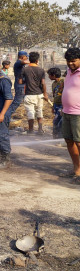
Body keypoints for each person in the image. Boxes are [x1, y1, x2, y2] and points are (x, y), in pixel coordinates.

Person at [60, 48, 80, 182]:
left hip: (78, 114)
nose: (70, 64)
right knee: (69, 141)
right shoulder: (68, 72)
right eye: (68, 61)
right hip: (66, 112)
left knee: (79, 142)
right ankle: (77, 170)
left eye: (73, 61)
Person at [19, 52, 48, 134]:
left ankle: (31, 130)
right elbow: (43, 83)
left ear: (29, 59)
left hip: (29, 94)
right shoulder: (41, 70)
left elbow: (20, 82)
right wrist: (45, 94)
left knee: (30, 112)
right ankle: (40, 129)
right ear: (37, 60)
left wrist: (27, 81)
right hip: (39, 94)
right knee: (39, 111)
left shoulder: (24, 69)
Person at [7, 51, 29, 117]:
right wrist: (33, 62)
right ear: (22, 57)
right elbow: (24, 62)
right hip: (20, 85)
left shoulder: (21, 64)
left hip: (23, 85)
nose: (27, 58)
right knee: (17, 101)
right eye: (26, 57)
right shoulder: (18, 62)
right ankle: (7, 114)